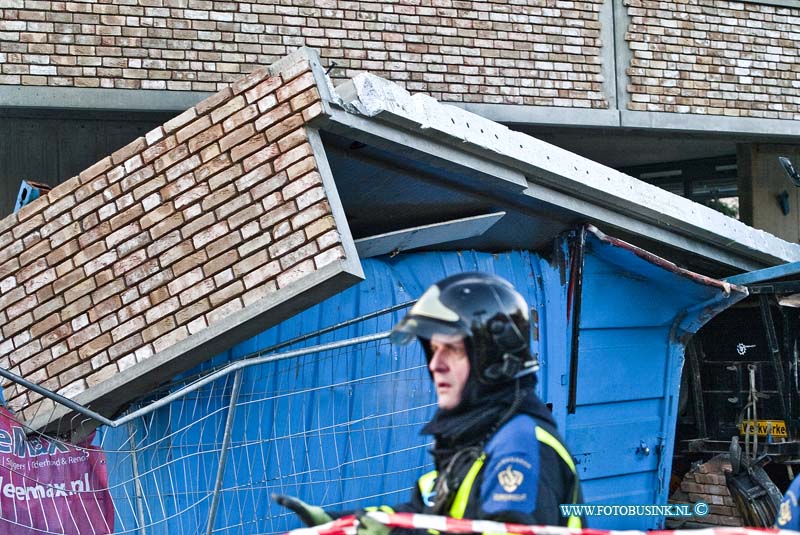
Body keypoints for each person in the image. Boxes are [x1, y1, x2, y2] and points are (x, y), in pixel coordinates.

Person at [275, 272, 583, 531]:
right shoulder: (476, 439)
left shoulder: (519, 448)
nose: (436, 365)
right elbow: (423, 517)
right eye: (433, 350)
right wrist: (343, 524)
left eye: (453, 350)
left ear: (494, 358)